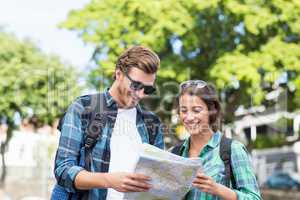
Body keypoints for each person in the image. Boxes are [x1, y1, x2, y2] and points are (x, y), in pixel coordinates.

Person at [51, 46, 165, 200]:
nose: (141, 94)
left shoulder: (152, 123)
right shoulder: (84, 108)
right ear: (119, 74)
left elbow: (157, 179)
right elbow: (63, 170)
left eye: (148, 90)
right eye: (136, 85)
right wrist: (109, 181)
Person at [171, 80, 261, 200]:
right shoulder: (174, 154)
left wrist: (217, 189)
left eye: (196, 110)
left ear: (211, 111)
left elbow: (254, 198)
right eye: (184, 111)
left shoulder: (232, 149)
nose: (189, 117)